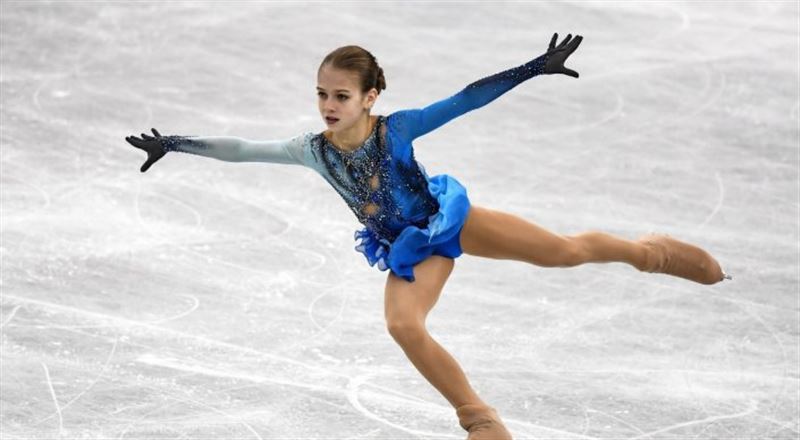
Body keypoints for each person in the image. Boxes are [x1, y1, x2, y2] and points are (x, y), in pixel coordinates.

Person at [126, 33, 730, 439]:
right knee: (403, 325)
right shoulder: (310, 150)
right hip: (409, 249)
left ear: (370, 97)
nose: (329, 105)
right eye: (322, 94)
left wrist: (531, 68)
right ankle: (480, 420)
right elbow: (242, 150)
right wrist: (175, 143)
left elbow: (465, 100)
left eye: (341, 96)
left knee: (564, 253)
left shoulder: (397, 131)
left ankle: (647, 252)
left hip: (451, 221)